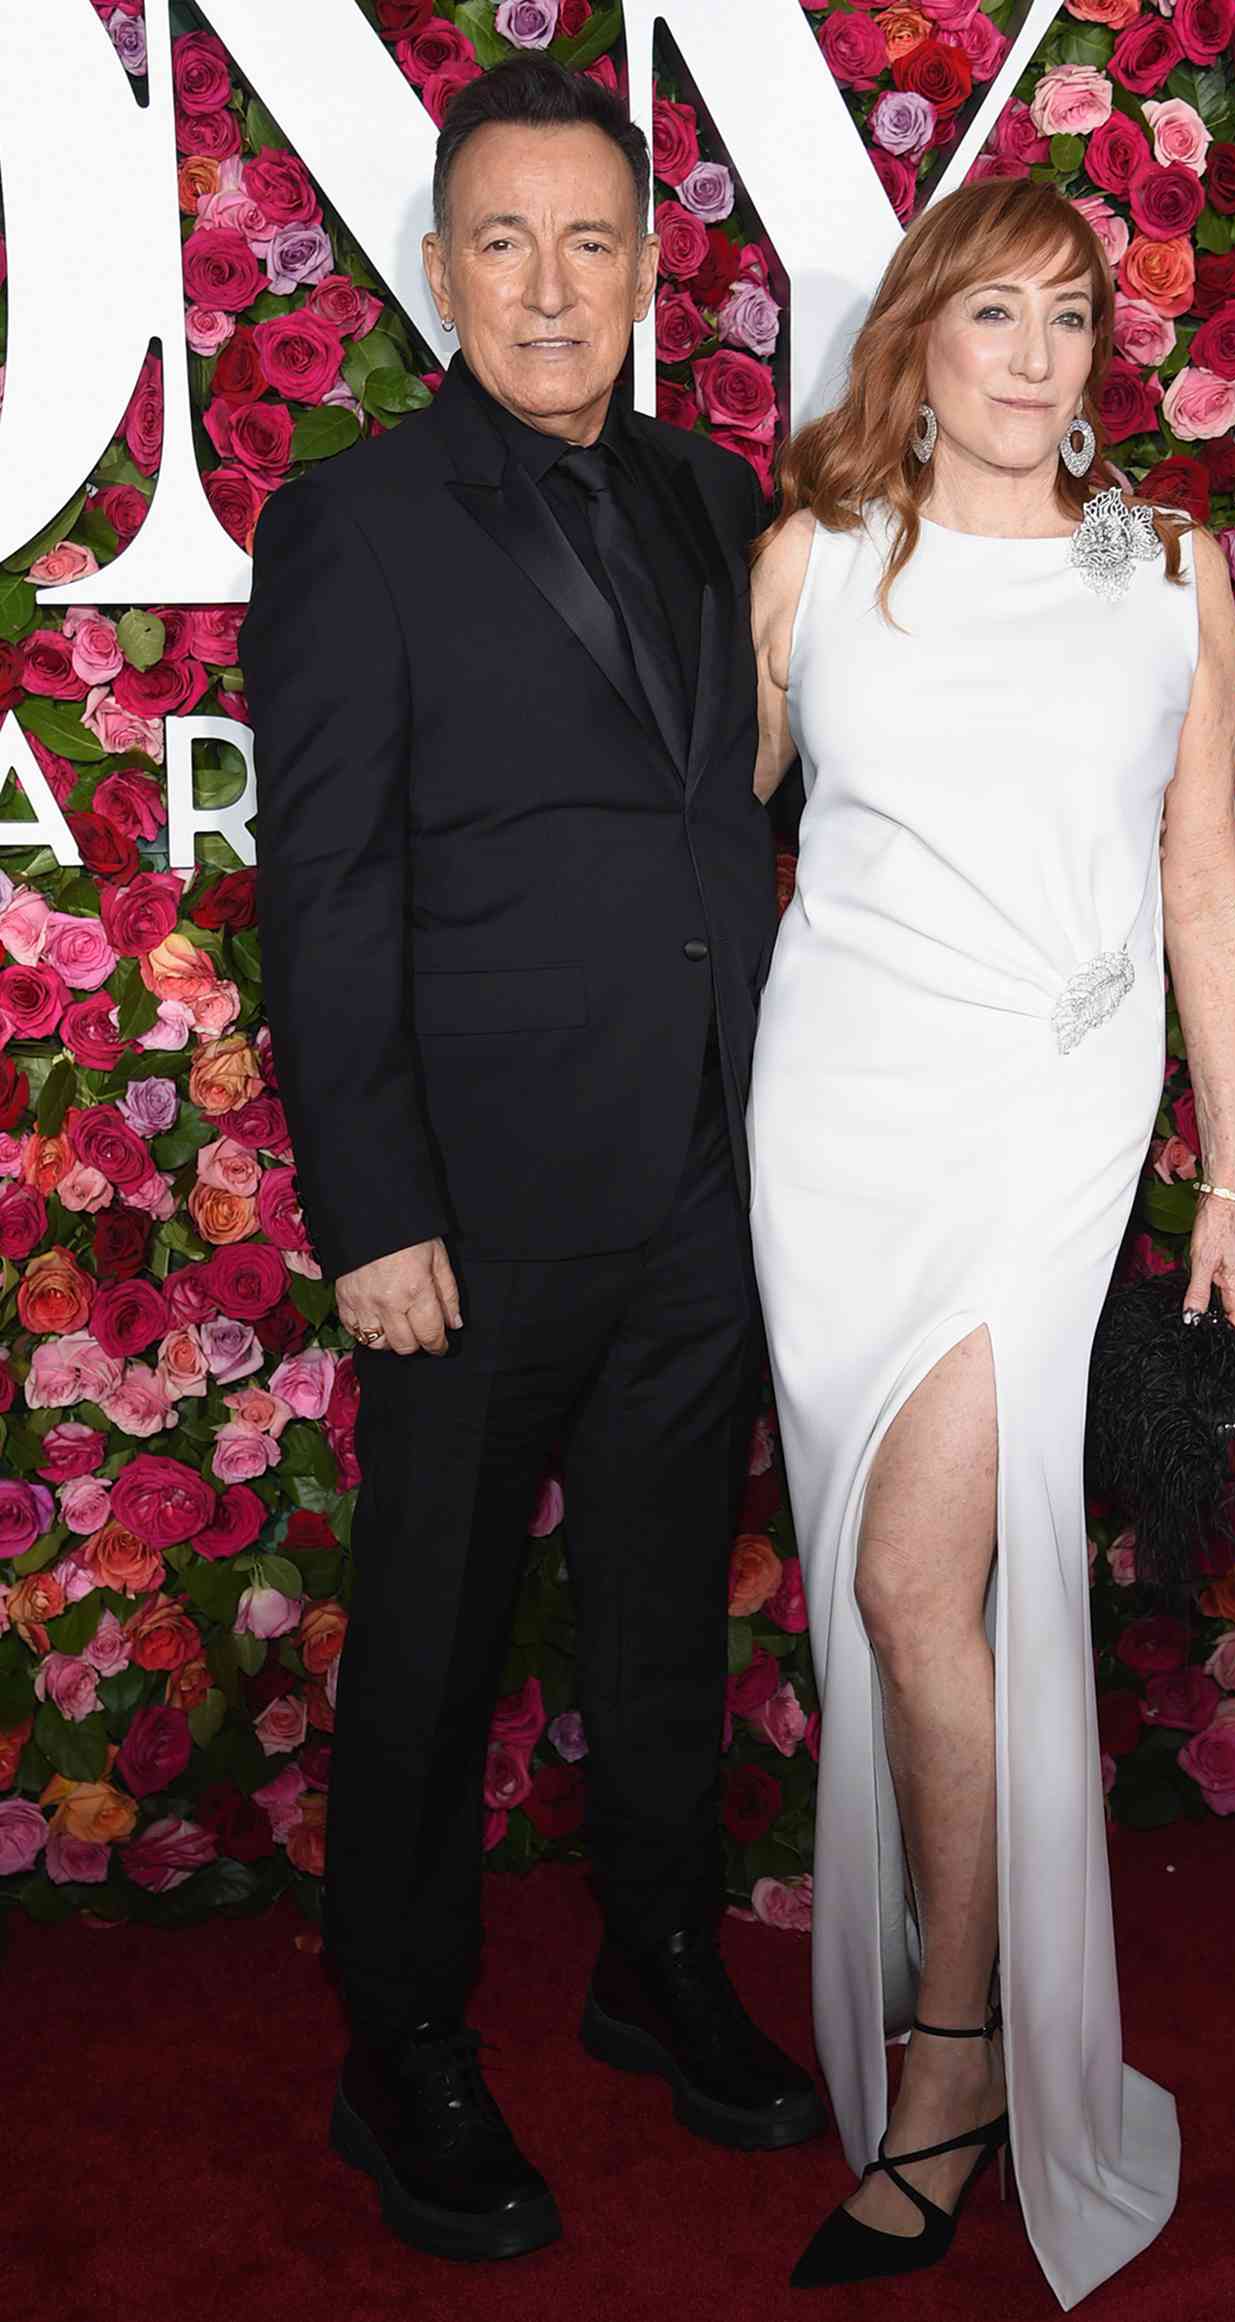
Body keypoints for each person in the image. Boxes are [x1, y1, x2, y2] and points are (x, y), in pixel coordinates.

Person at [239, 56, 823, 2266]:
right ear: (439, 266)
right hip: (465, 1221)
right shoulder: (355, 520)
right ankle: (400, 2045)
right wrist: (372, 1208)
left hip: (706, 1187)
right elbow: (326, 885)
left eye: (595, 240)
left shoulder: (712, 493)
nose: (552, 284)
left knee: (667, 1621)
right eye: (507, 240)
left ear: (652, 267)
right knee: (434, 1644)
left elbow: (748, 815)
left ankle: (654, 1966)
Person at [746, 178, 1235, 2305]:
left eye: (1072, 320)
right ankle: (918, 1926)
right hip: (833, 1127)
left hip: (1043, 1129)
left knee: (902, 1569)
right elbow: (736, 844)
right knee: (895, 1582)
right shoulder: (815, 569)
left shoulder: (1169, 580)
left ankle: (954, 2054)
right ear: (920, 345)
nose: (1037, 360)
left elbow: (1203, 876)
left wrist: (1227, 1169)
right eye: (996, 317)